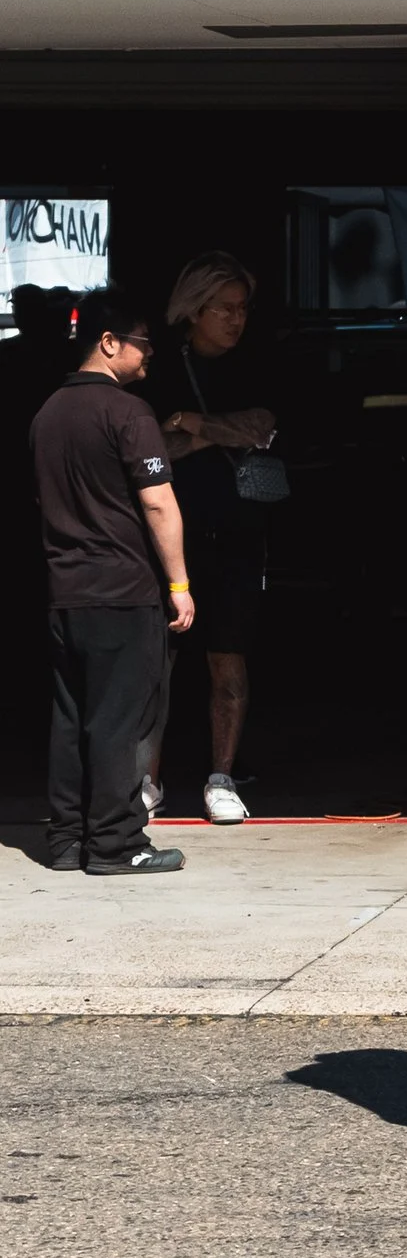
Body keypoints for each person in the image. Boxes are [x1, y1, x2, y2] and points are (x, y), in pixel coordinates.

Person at [31, 297, 192, 875]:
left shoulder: (47, 413)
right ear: (108, 343)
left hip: (64, 590)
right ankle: (117, 843)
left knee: (71, 716)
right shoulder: (130, 414)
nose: (149, 353)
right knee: (123, 719)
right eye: (142, 342)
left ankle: (67, 841)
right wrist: (178, 582)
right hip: (123, 589)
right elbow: (157, 501)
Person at [142, 253, 276, 824]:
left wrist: (190, 424)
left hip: (239, 533)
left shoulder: (257, 363)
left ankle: (221, 777)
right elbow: (148, 454)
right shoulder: (160, 371)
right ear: (193, 310)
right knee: (158, 663)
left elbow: (262, 429)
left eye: (243, 308)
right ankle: (146, 779)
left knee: (230, 657)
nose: (236, 319)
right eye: (224, 308)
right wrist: (217, 431)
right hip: (171, 539)